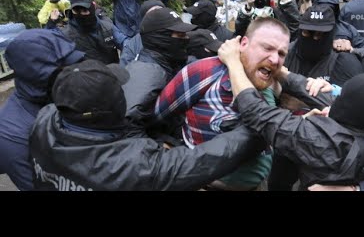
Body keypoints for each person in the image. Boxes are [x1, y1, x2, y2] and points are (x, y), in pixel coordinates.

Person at [29, 59, 265, 191]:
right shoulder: (133, 165)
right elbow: (209, 157)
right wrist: (261, 121)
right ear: (115, 107)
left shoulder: (44, 122)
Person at [218, 37, 364, 190]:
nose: (334, 99)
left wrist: (233, 62)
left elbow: (257, 113)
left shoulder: (323, 140)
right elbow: (317, 95)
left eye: (340, 96)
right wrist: (281, 72)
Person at [152, 17, 292, 190]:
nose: (275, 59)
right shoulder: (203, 72)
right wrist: (168, 150)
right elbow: (156, 116)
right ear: (243, 44)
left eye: (281, 53)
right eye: (267, 48)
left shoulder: (273, 83)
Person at [0, 29, 85, 190]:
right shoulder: (13, 137)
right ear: (43, 77)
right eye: (68, 69)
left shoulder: (60, 93)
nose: (78, 72)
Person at [56, 0, 127, 64]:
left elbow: (127, 45)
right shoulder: (65, 36)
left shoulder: (108, 27)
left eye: (84, 10)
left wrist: (124, 64)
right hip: (84, 74)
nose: (81, 15)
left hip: (111, 72)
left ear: (93, 6)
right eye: (76, 11)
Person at [119, 0, 165, 67]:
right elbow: (124, 71)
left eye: (160, 12)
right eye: (152, 14)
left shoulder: (175, 35)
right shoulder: (133, 44)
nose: (157, 16)